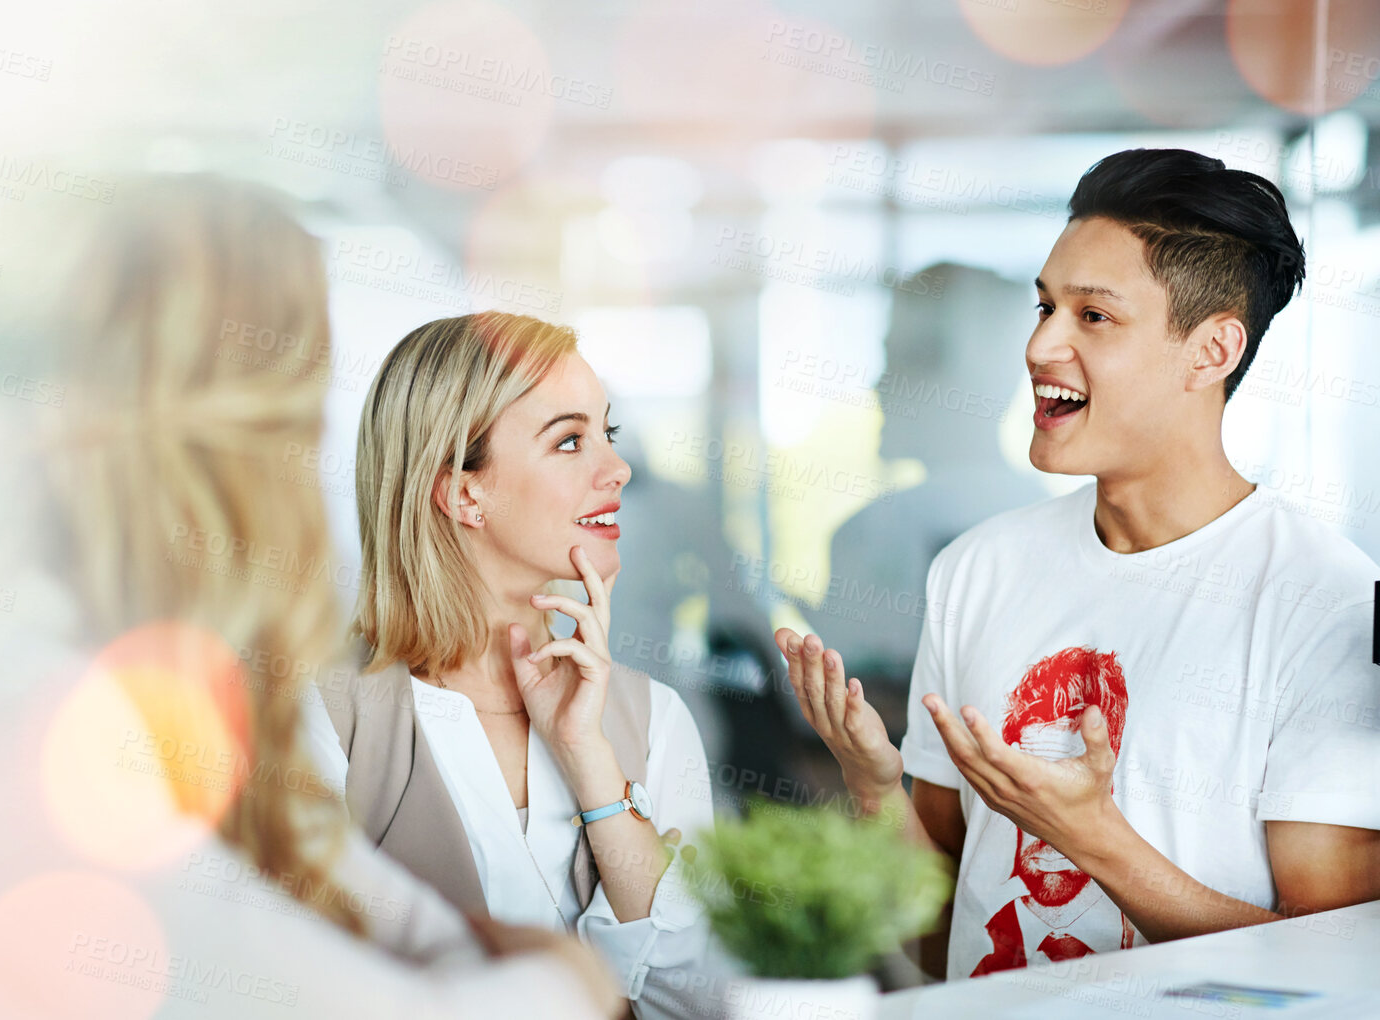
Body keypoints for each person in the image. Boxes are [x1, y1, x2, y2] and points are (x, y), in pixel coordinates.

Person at [775, 148, 1380, 981]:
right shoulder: (976, 570)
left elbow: (1336, 971)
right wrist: (873, 784)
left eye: (1093, 316)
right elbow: (933, 931)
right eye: (1044, 306)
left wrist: (1093, 838)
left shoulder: (1323, 600)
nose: (1040, 344)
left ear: (1211, 352)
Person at [50, 177, 623, 1018]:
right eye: (303, 412)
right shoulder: (89, 721)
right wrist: (566, 981)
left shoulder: (206, 702)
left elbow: (374, 911)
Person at [306, 311, 725, 1017]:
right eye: (569, 440)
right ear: (465, 492)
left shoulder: (650, 719)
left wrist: (587, 756)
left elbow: (696, 998)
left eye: (607, 433)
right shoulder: (322, 718)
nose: (618, 468)